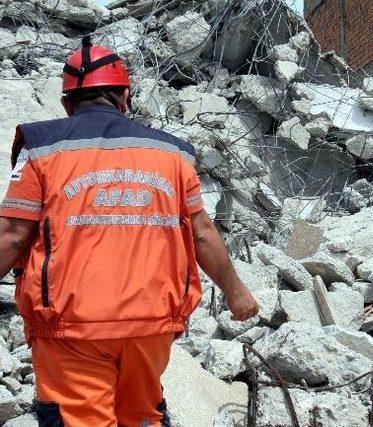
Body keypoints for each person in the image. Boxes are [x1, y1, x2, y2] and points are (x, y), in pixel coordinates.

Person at [0, 36, 258, 426]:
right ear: (124, 96)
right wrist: (236, 293)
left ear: (67, 104)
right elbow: (202, 232)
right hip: (151, 326)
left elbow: (13, 236)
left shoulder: (41, 149)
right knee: (141, 417)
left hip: (71, 329)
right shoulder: (172, 154)